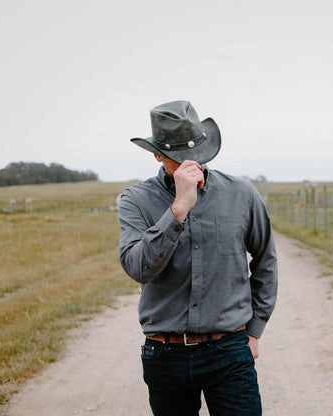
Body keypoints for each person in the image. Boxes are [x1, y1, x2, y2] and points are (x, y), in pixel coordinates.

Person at [118, 100, 277, 416]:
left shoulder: (242, 193)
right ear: (158, 155)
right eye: (178, 157)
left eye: (197, 154)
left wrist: (254, 330)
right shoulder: (135, 200)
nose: (192, 164)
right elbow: (138, 268)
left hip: (230, 350)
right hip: (165, 354)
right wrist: (178, 209)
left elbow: (265, 260)